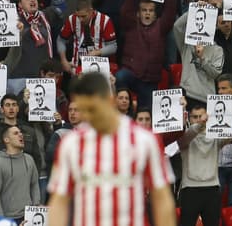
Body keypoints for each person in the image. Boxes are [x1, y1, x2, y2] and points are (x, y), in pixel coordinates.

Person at [46, 72, 176, 226]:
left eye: (92, 109)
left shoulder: (145, 141)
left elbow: (162, 199)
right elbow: (59, 201)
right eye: (82, 109)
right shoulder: (70, 144)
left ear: (110, 100)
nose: (87, 116)